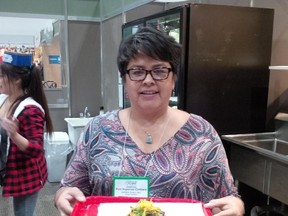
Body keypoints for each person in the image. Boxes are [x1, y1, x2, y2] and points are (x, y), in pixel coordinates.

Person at [54, 27, 244, 216]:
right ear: (125, 81)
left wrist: (237, 206)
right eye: (137, 72)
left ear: (173, 79)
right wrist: (62, 195)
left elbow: (228, 195)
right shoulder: (98, 129)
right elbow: (70, 187)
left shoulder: (200, 132)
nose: (148, 80)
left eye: (159, 70)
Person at [0, 51, 54, 216]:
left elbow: (37, 149)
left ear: (17, 79)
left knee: (23, 213)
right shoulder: (4, 99)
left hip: (26, 174)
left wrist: (14, 135)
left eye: (2, 76)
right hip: (8, 167)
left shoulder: (30, 110)